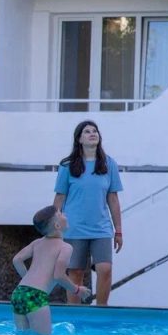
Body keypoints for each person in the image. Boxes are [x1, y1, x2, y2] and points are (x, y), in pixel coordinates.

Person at [53, 120, 123, 306]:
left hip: (101, 228)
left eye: (95, 131)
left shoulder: (109, 164)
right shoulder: (67, 166)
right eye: (87, 131)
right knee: (75, 272)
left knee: (105, 269)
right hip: (74, 228)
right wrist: (54, 229)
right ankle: (74, 313)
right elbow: (59, 198)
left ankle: (101, 310)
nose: (92, 134)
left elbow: (113, 199)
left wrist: (118, 230)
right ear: (79, 139)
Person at [11, 206, 90, 335]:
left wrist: (27, 279)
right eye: (61, 214)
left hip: (19, 292)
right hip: (36, 296)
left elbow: (17, 260)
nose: (65, 214)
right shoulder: (65, 247)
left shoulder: (37, 243)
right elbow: (58, 275)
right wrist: (77, 290)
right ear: (57, 225)